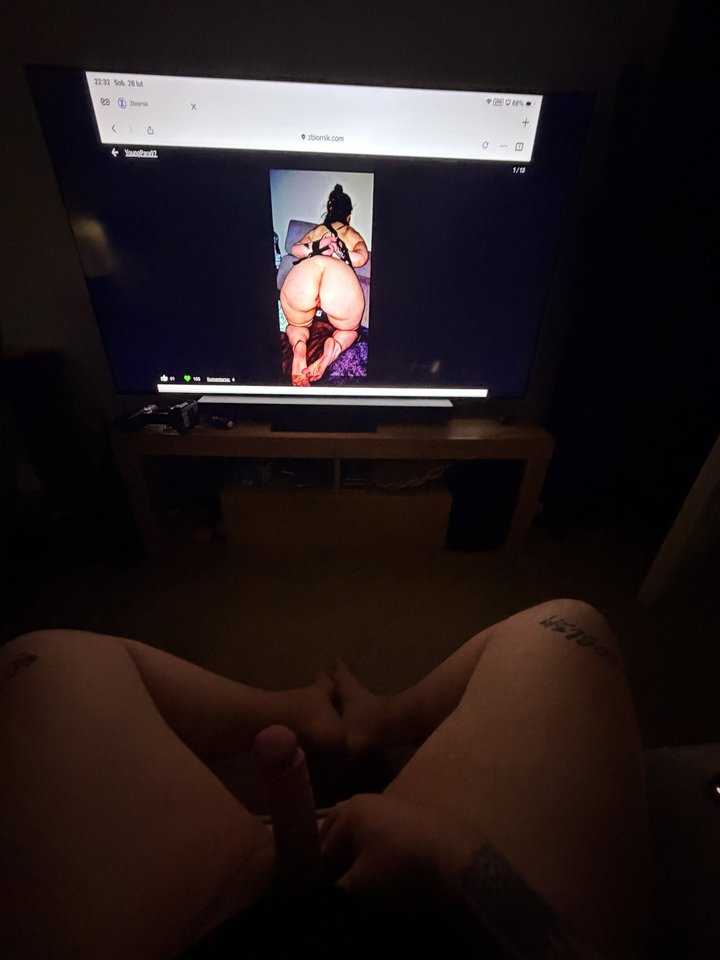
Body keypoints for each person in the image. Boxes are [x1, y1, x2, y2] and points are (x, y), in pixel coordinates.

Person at [0, 599, 651, 959]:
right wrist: (452, 856)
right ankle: (374, 720)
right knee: (564, 629)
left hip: (192, 936)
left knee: (46, 659)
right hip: (450, 930)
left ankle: (305, 712)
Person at [280, 184, 369, 387]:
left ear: (329, 212)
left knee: (295, 325)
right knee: (351, 331)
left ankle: (299, 346)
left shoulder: (317, 230)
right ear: (348, 217)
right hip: (339, 277)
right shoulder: (352, 233)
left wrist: (316, 247)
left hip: (305, 274)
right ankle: (335, 347)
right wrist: (340, 250)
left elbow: (295, 249)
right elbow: (361, 258)